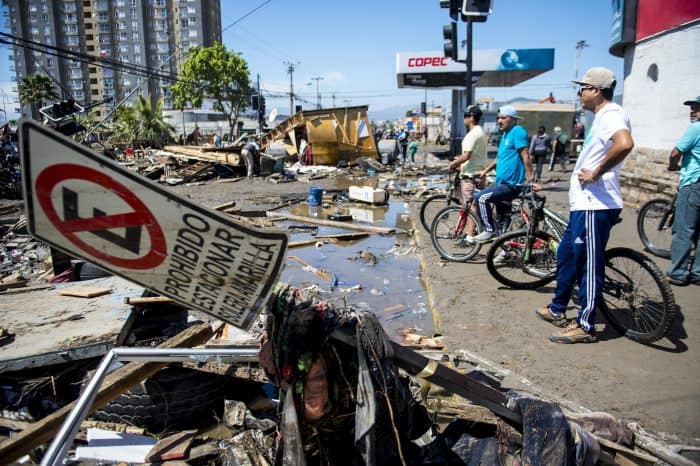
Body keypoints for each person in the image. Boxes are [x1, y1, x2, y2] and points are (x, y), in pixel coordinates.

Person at [537, 67, 634, 344]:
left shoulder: (612, 114)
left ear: (596, 90)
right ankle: (557, 308)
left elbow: (625, 144)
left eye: (583, 87)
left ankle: (586, 325)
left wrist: (596, 172)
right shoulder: (601, 117)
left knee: (588, 265)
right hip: (584, 204)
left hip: (596, 205)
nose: (579, 93)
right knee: (566, 255)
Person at [472, 105, 533, 243]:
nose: (499, 121)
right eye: (498, 118)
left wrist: (531, 179)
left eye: (503, 118)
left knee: (481, 198)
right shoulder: (505, 135)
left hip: (510, 185)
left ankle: (488, 230)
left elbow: (526, 156)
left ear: (512, 119)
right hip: (501, 183)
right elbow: (499, 158)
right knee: (502, 223)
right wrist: (485, 171)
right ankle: (505, 250)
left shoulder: (517, 131)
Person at [665, 96, 700, 286]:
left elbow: (675, 153)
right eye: (692, 108)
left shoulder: (696, 128)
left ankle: (678, 272)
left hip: (694, 183)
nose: (693, 111)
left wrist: (672, 166)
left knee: (684, 229)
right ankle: (697, 272)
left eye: (697, 108)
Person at [447, 105, 488, 239]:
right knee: (478, 203)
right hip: (479, 172)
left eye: (465, 116)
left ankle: (470, 236)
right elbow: (472, 155)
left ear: (471, 118)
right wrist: (460, 160)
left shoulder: (472, 134)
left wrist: (453, 164)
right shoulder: (480, 132)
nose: (464, 118)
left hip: (470, 174)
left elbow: (467, 155)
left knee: (471, 206)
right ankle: (485, 229)